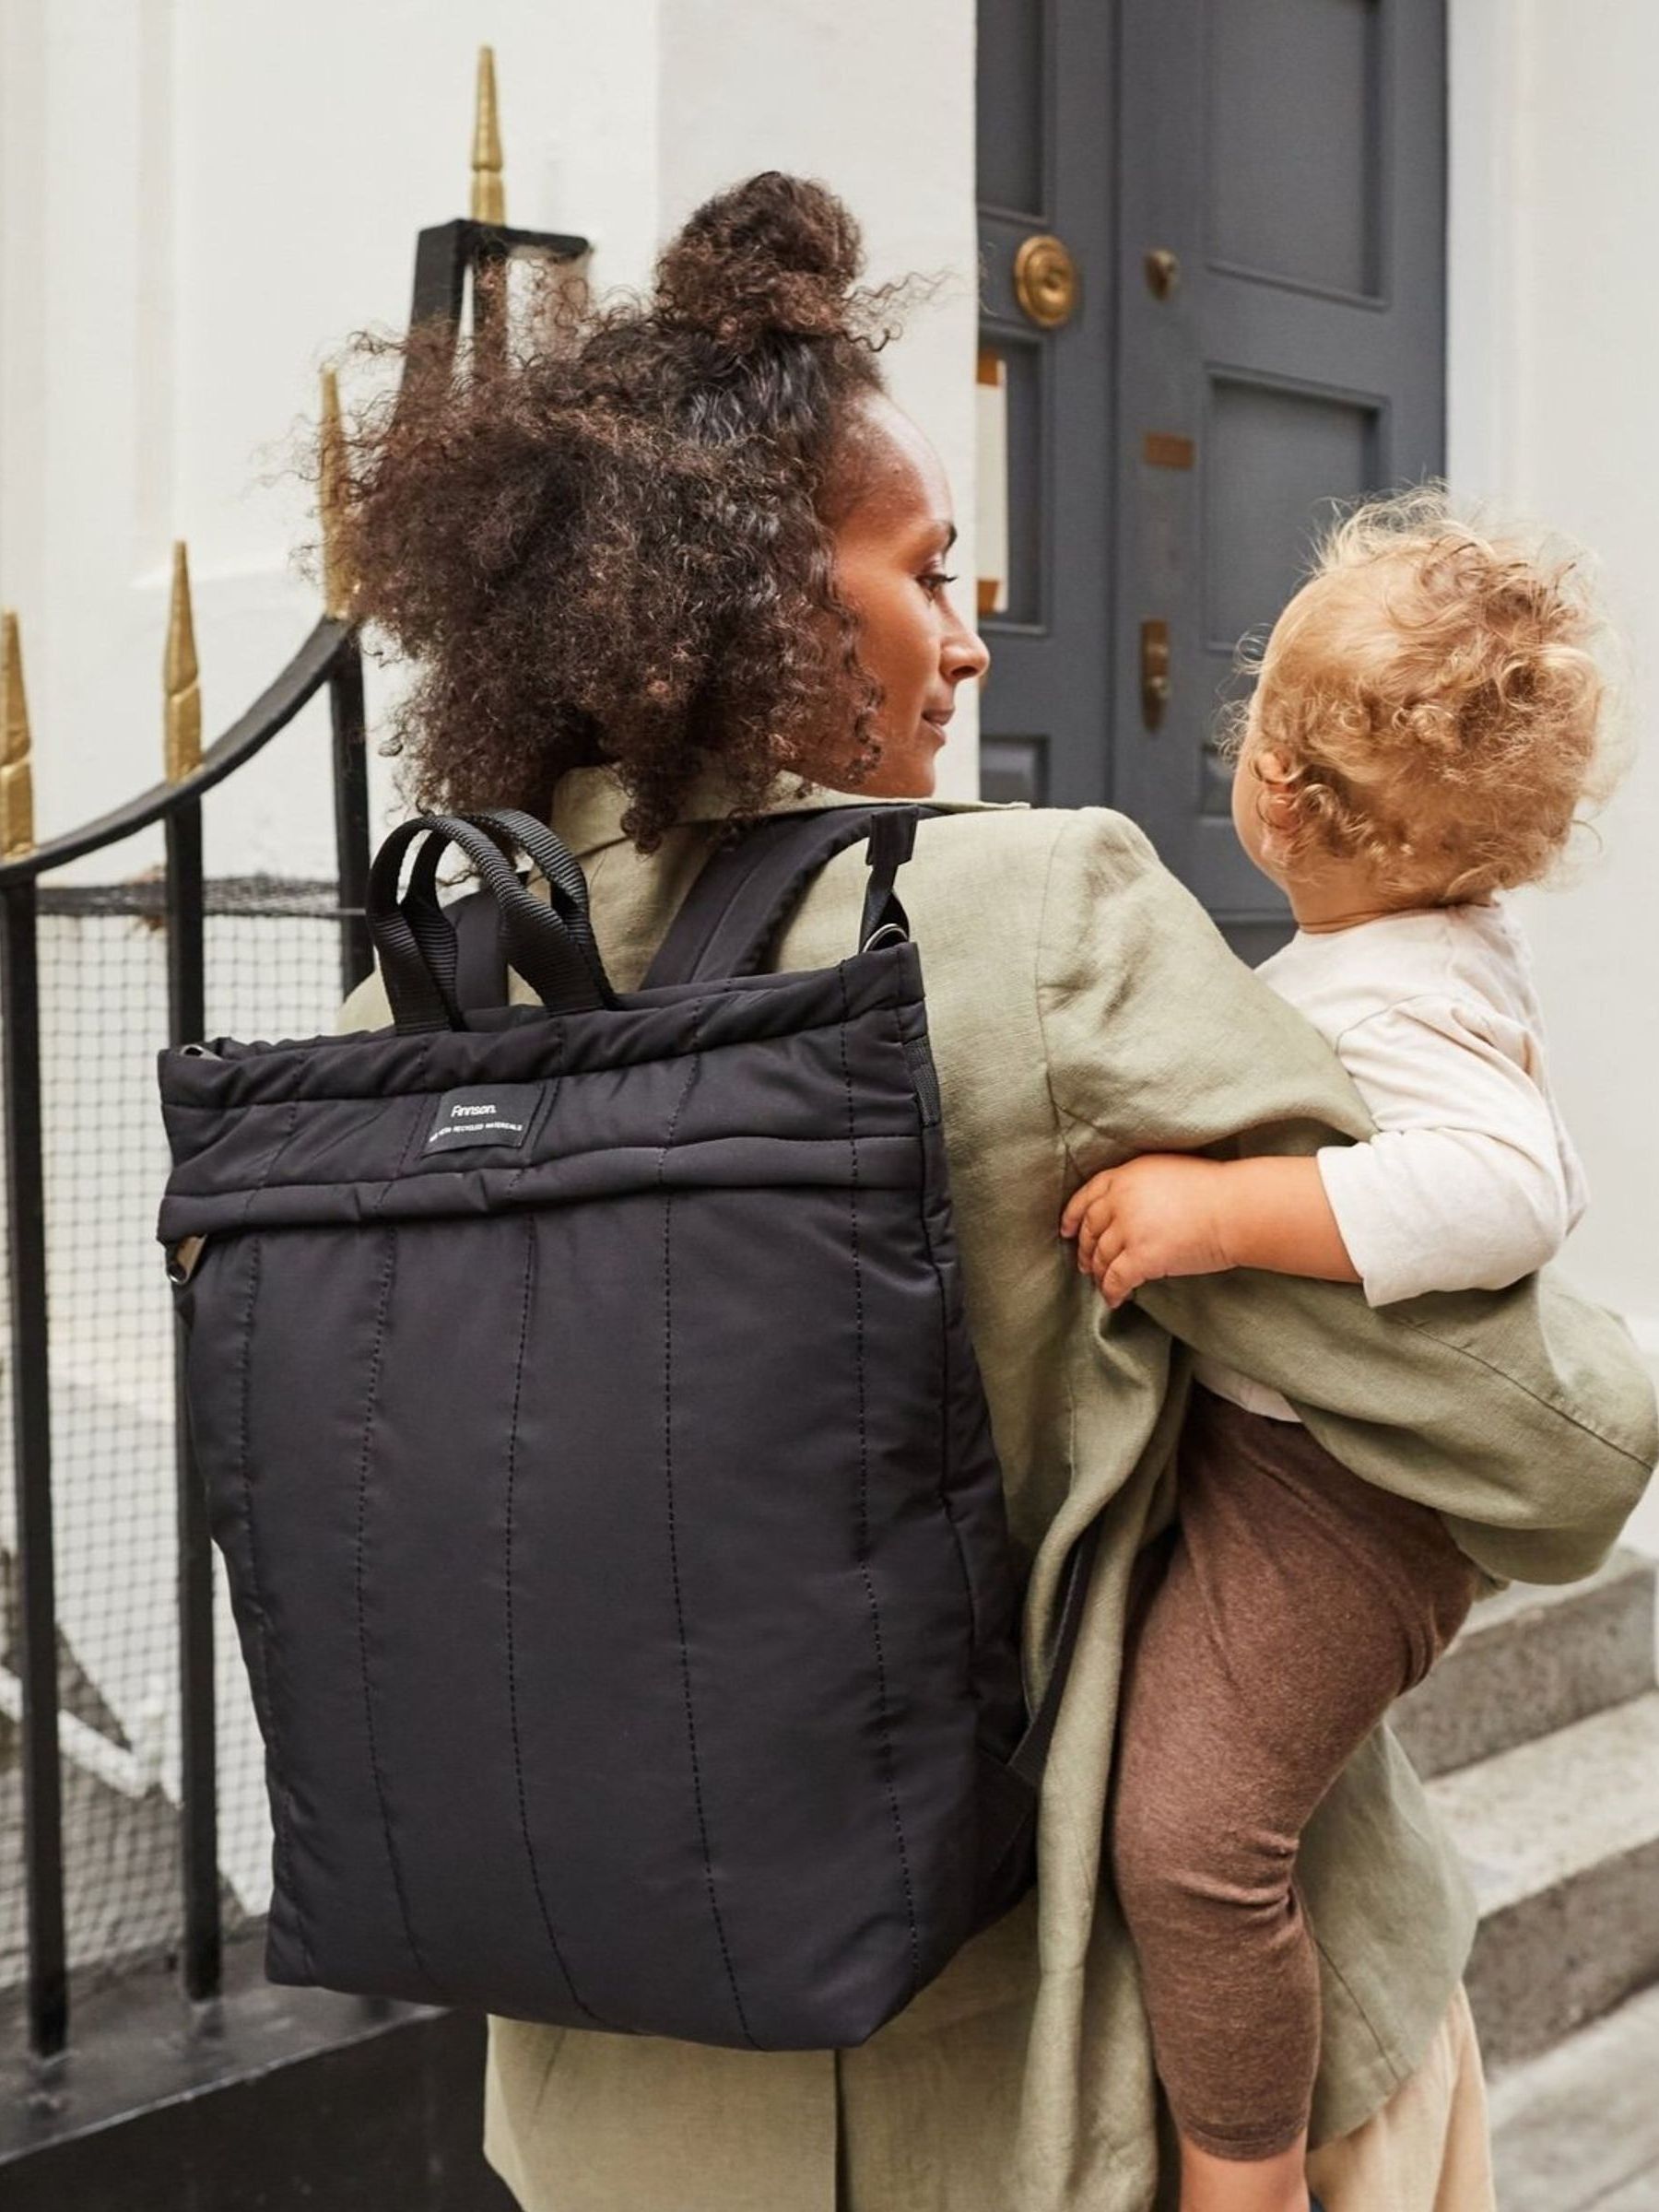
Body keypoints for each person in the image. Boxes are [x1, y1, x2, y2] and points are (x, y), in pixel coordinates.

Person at [327, 172, 1657, 2212]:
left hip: (627, 2103)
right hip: (1085, 2077)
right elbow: (1545, 1445)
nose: (970, 641)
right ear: (760, 596)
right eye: (928, 572)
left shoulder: (410, 1001)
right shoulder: (1030, 930)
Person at [1060, 492, 1623, 2207]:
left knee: (1193, 1840)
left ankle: (1248, 2174)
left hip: (1341, 1503)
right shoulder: (1400, 949)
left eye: (1262, 734)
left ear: (1284, 799)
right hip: (1299, 1467)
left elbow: (1517, 1185)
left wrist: (1223, 1218)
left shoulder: (1402, 993)